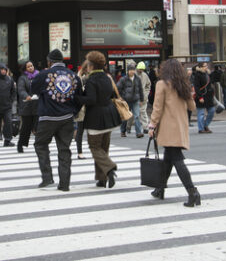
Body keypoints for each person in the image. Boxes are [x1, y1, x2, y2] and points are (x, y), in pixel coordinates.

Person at [148, 59, 200, 207]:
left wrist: (152, 125)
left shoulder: (162, 84)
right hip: (180, 126)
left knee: (176, 159)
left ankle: (192, 191)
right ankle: (160, 188)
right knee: (168, 159)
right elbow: (192, 106)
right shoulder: (183, 85)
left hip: (167, 126)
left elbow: (157, 107)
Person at [31, 49, 82, 191]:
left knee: (40, 145)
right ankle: (64, 184)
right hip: (66, 118)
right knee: (64, 149)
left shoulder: (44, 75)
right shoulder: (73, 76)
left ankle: (47, 177)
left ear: (49, 61)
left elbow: (33, 90)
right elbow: (79, 97)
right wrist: (74, 112)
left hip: (47, 117)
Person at [78, 51, 122, 188]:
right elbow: (114, 94)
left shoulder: (92, 80)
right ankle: (102, 179)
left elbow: (91, 100)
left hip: (95, 118)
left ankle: (109, 168)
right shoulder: (107, 77)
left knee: (95, 147)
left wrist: (77, 98)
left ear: (91, 65)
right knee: (103, 148)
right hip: (109, 117)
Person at [16, 61, 39, 153]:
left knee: (38, 128)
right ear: (25, 69)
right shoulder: (23, 78)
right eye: (28, 67)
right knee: (26, 127)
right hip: (27, 106)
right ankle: (20, 144)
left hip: (37, 105)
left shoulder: (38, 76)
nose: (30, 68)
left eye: (32, 66)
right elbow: (20, 89)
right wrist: (26, 96)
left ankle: (39, 145)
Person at [117, 61, 144, 138]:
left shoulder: (137, 79)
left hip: (135, 100)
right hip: (126, 100)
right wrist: (120, 97)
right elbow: (117, 88)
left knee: (137, 116)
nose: (132, 71)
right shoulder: (123, 79)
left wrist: (141, 99)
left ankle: (138, 132)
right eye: (130, 70)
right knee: (125, 117)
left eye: (133, 70)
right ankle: (123, 131)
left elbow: (141, 89)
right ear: (128, 71)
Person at [192, 62, 215, 134]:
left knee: (212, 110)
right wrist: (200, 97)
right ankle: (201, 128)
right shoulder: (197, 75)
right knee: (201, 113)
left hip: (208, 96)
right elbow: (197, 87)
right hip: (201, 96)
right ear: (201, 67)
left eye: (206, 66)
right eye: (205, 66)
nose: (206, 67)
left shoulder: (208, 74)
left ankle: (205, 125)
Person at [136, 61, 152, 132]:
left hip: (143, 96)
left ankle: (145, 127)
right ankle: (128, 127)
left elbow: (148, 85)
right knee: (133, 113)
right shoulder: (134, 74)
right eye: (140, 69)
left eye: (142, 69)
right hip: (135, 96)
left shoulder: (145, 75)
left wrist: (146, 93)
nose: (141, 70)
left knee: (142, 111)